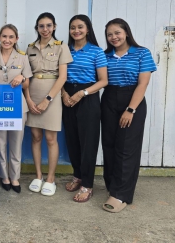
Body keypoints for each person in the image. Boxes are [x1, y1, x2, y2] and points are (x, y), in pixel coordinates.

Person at [101, 18, 156, 213]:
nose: (113, 37)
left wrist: (131, 109)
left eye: (117, 32)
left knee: (126, 147)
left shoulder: (142, 53)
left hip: (132, 99)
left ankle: (121, 194)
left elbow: (143, 84)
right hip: (109, 98)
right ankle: (112, 186)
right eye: (109, 34)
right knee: (109, 144)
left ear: (126, 32)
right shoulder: (105, 55)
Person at [61, 15, 108, 202]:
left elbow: (104, 80)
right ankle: (78, 176)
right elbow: (59, 75)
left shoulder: (96, 52)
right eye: (73, 27)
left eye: (80, 27)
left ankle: (87, 185)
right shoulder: (64, 50)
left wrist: (82, 93)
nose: (76, 31)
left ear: (88, 29)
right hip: (67, 96)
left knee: (88, 142)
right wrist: (64, 93)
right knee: (72, 140)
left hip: (88, 96)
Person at [25, 12, 72, 196]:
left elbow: (63, 77)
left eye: (49, 25)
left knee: (51, 139)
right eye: (41, 26)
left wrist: (48, 100)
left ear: (54, 27)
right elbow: (26, 76)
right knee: (35, 137)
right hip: (33, 92)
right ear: (37, 28)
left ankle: (51, 179)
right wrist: (28, 99)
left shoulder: (61, 47)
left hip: (52, 95)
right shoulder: (30, 49)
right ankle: (38, 176)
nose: (45, 29)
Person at [0, 24, 33, 193]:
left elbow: (27, 84)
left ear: (16, 39)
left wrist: (22, 76)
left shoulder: (22, 58)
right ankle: (4, 176)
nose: (7, 40)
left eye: (11, 37)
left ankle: (15, 177)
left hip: (17, 107)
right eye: (4, 36)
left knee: (16, 143)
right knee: (1, 143)